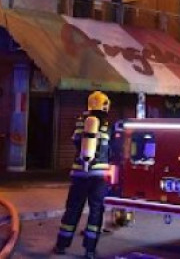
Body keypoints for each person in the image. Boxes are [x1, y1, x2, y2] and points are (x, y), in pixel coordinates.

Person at [53, 91, 113, 259]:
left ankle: (61, 245)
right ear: (105, 105)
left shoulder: (81, 122)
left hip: (79, 173)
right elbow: (112, 149)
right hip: (99, 176)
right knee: (95, 211)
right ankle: (90, 250)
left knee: (72, 209)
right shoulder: (108, 125)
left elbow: (75, 141)